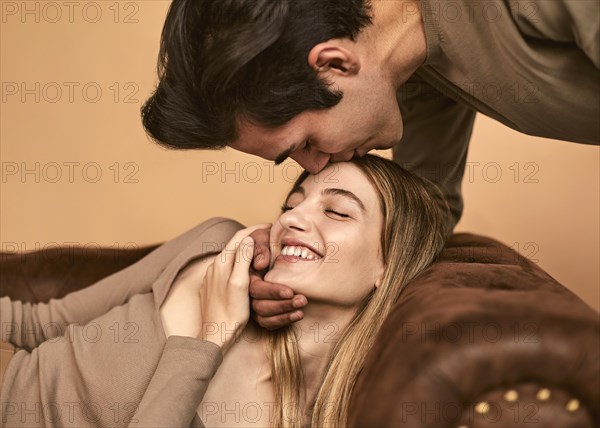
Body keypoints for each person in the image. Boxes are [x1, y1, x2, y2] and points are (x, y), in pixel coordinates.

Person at [140, 0, 600, 330]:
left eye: (305, 142)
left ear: (334, 64)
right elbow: (421, 215)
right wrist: (296, 269)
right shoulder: (408, 76)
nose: (314, 165)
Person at [0, 154, 448, 427]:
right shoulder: (218, 244)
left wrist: (209, 338)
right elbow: (38, 322)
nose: (292, 219)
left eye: (338, 212)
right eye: (292, 204)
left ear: (387, 264)